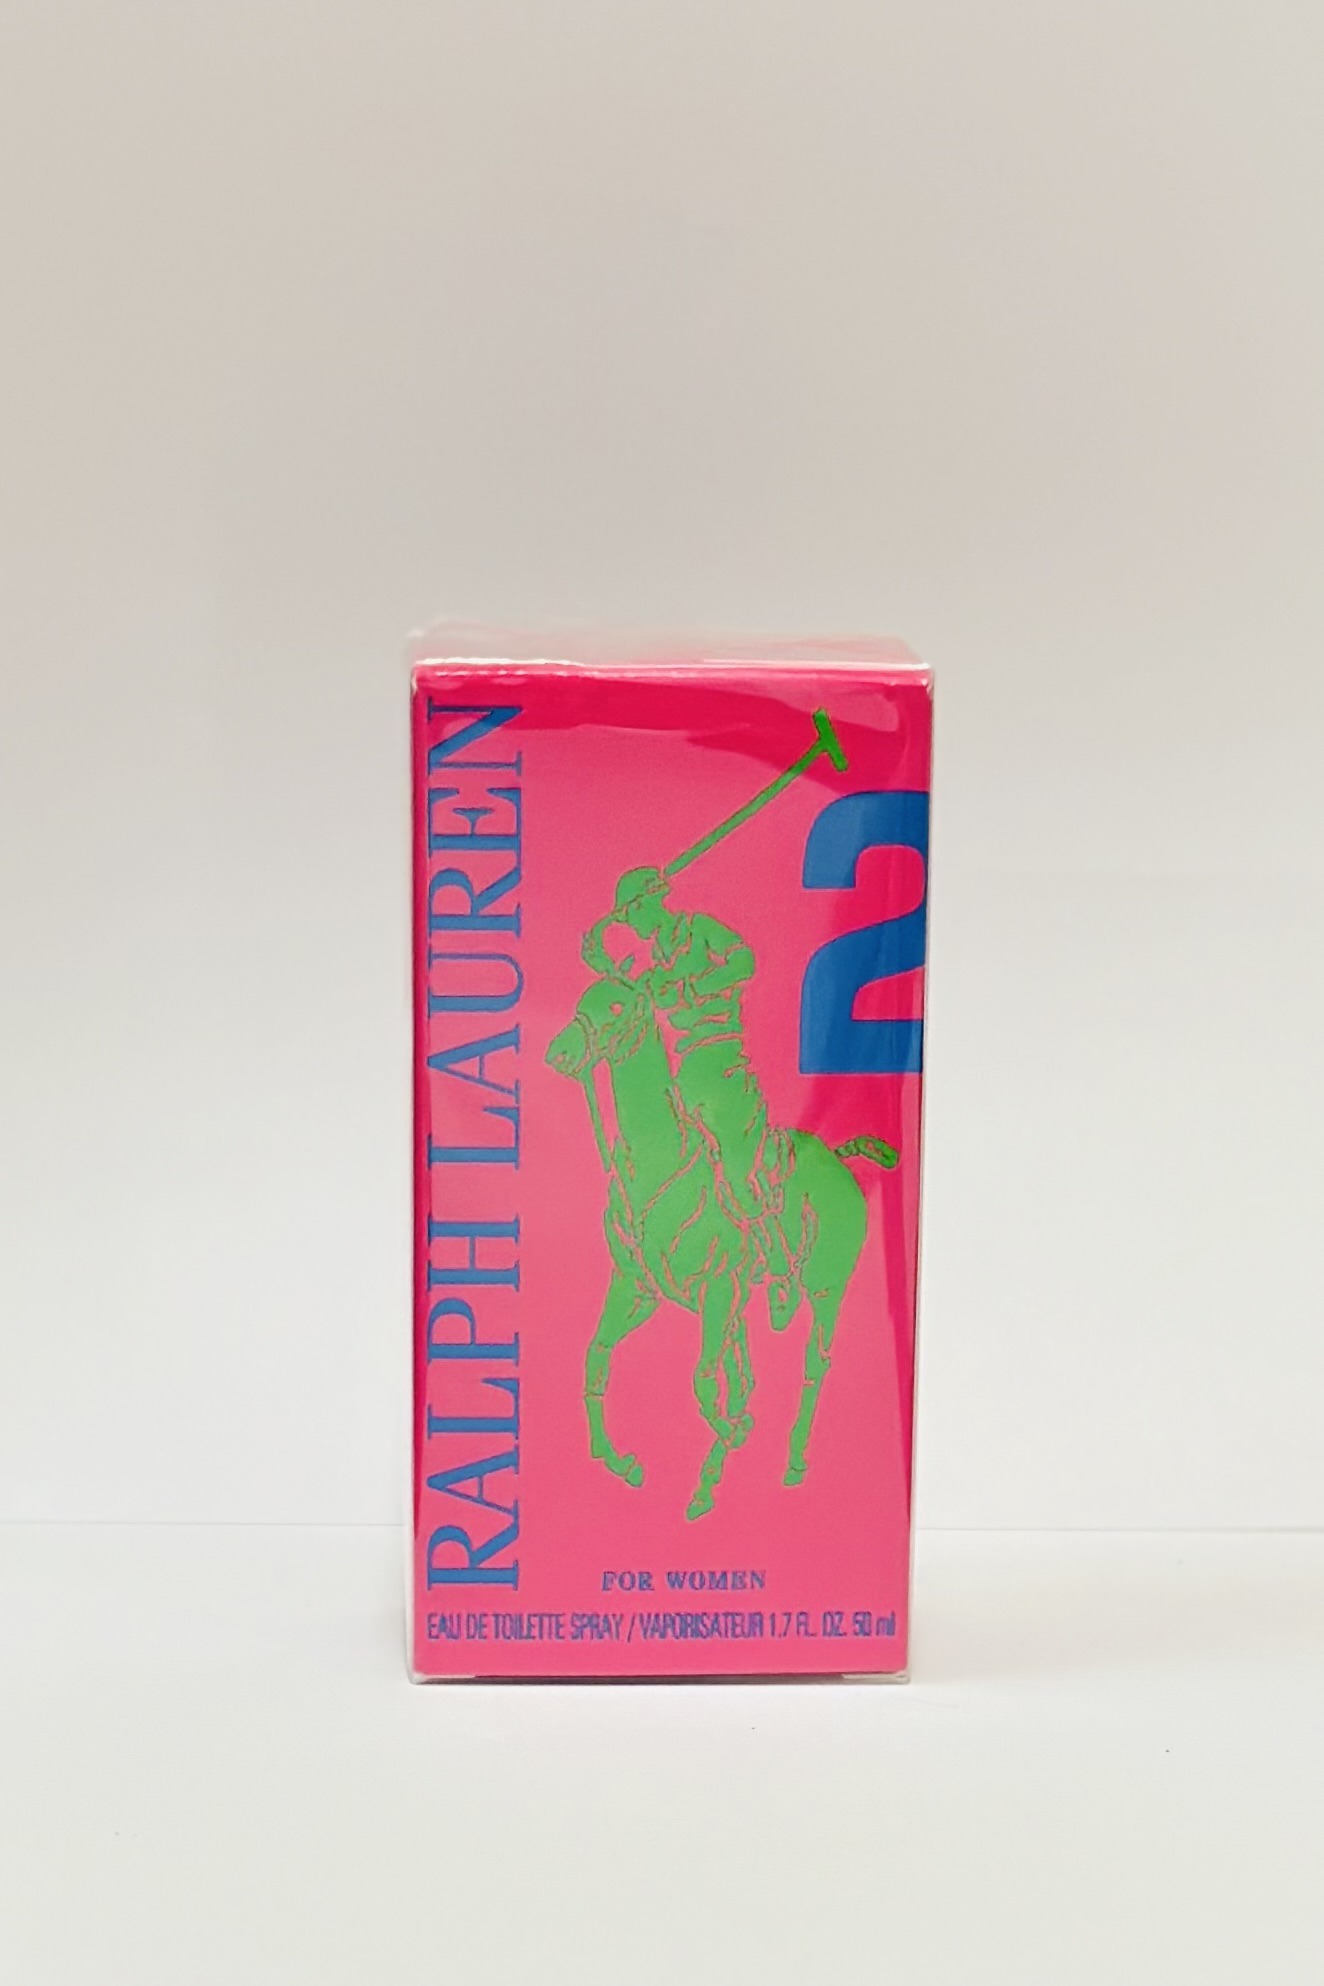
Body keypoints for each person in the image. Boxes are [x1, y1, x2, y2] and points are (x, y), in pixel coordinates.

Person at [583, 867, 789, 1275]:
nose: (631, 924)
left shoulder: (700, 930)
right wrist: (601, 963)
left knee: (735, 1168)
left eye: (631, 913)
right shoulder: (654, 964)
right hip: (685, 1074)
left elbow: (744, 961)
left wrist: (691, 989)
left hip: (722, 1062)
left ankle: (777, 1255)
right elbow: (629, 1000)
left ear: (649, 903)